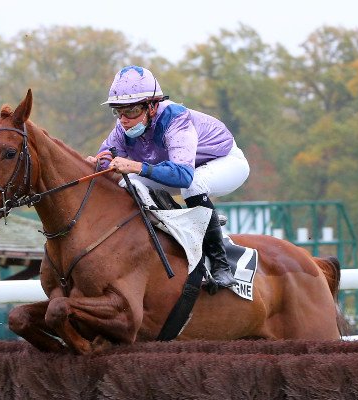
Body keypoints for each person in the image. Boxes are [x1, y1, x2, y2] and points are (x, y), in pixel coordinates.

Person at [86, 65, 250, 288]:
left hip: (224, 162)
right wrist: (95, 165)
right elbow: (105, 162)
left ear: (152, 106)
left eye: (131, 111)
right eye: (118, 111)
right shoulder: (122, 128)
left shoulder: (175, 119)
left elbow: (183, 176)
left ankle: (221, 265)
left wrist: (134, 165)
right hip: (182, 169)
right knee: (128, 183)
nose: (123, 119)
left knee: (193, 185)